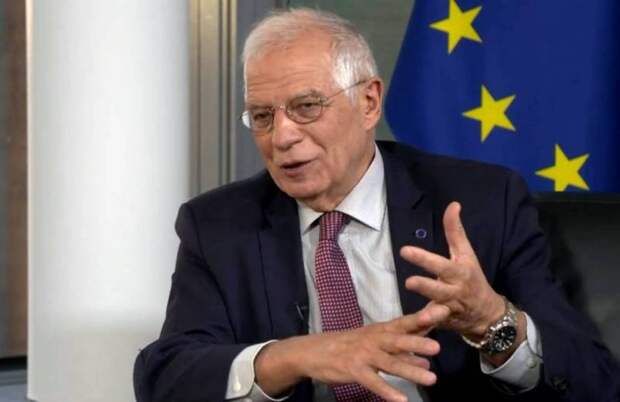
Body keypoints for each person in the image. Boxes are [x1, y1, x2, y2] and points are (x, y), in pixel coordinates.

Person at [133, 8, 620, 402]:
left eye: (306, 107)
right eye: (262, 116)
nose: (281, 136)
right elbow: (165, 378)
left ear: (368, 103)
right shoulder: (218, 225)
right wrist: (297, 355)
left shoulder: (484, 203)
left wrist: (492, 320)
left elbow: (590, 381)